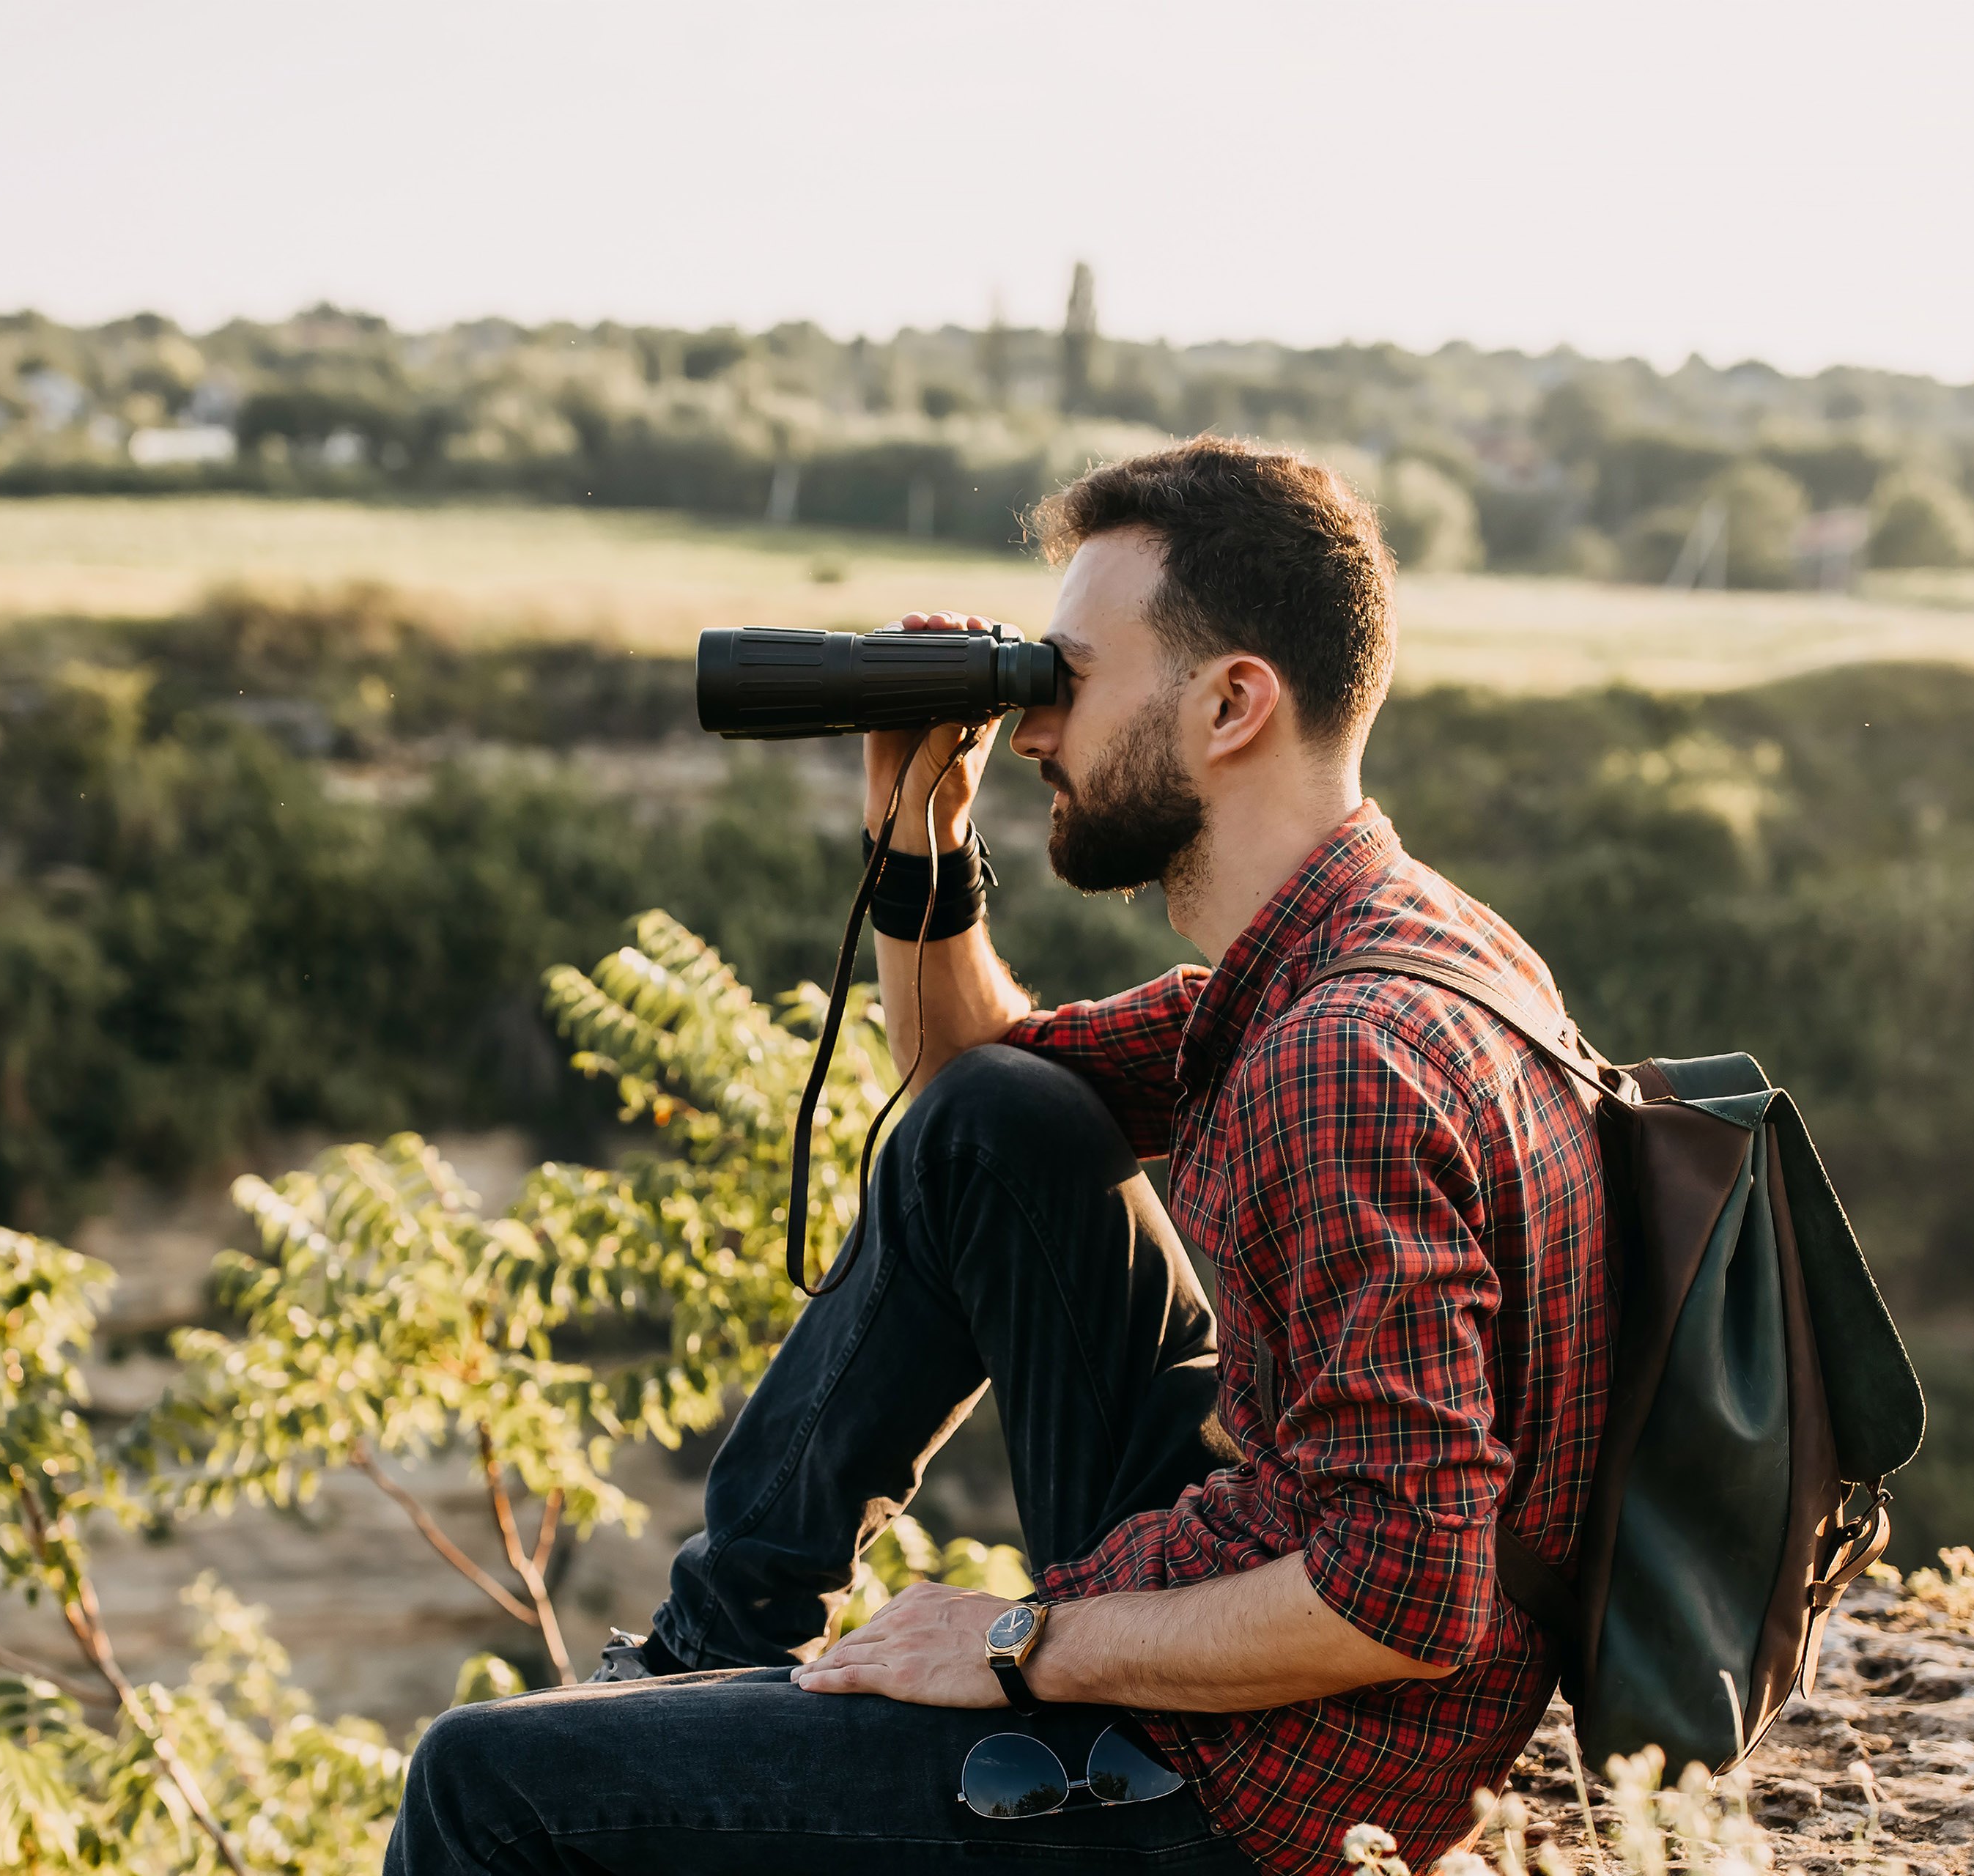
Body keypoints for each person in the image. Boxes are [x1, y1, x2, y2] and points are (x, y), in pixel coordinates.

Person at [385, 438, 1613, 1875]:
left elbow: (1411, 1592)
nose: (1034, 728)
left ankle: (670, 1710)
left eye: (1067, 679)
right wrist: (924, 830)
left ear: (1232, 703)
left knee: (481, 1783)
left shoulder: (1345, 1056)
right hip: (1262, 1594)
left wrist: (1021, 1643)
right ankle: (698, 1662)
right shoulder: (1380, 947)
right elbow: (979, 1079)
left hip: (1255, 1792)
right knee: (996, 1123)